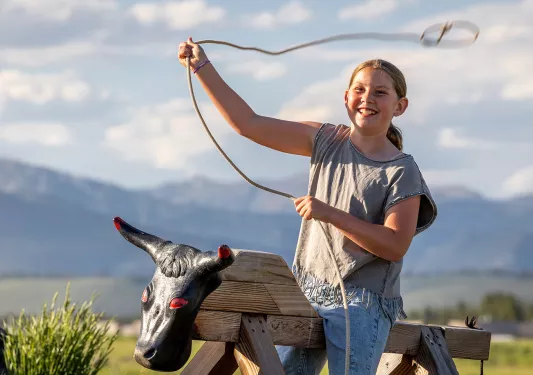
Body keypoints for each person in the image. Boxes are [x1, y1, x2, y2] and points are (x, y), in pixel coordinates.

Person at [178, 37, 437, 375]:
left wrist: (330, 214)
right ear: (346, 98)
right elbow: (249, 124)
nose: (367, 99)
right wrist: (202, 67)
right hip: (308, 289)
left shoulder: (402, 170)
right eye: (359, 90)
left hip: (364, 301)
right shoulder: (325, 140)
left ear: (400, 106)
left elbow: (394, 244)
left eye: (380, 93)